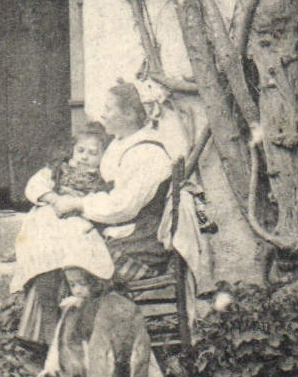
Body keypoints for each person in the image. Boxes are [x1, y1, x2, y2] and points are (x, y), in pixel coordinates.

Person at [10, 81, 175, 349]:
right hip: (116, 229)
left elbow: (123, 206)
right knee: (46, 234)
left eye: (109, 109)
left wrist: (78, 205)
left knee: (59, 246)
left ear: (129, 114)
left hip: (137, 242)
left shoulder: (147, 153)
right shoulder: (120, 143)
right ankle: (48, 339)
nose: (103, 114)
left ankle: (63, 343)